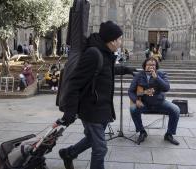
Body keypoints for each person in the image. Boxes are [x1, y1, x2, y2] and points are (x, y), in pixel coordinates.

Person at [54, 21, 136, 169]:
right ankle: (69, 154)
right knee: (101, 148)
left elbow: (104, 71)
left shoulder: (105, 53)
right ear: (111, 41)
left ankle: (68, 153)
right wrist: (70, 111)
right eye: (119, 39)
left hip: (103, 107)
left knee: (92, 139)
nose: (121, 42)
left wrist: (126, 69)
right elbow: (74, 83)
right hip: (91, 108)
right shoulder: (94, 53)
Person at [128, 57, 180, 145]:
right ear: (145, 66)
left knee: (176, 109)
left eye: (153, 65)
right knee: (133, 109)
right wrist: (136, 100)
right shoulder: (139, 75)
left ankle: (169, 134)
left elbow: (166, 88)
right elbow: (130, 91)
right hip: (144, 103)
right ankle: (142, 132)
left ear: (156, 67)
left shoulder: (161, 74)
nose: (150, 67)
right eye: (148, 64)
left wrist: (157, 78)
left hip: (160, 103)